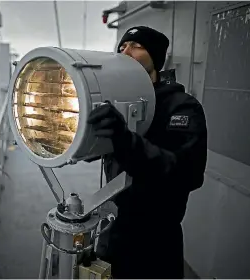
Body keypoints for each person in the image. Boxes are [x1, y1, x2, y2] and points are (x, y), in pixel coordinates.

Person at [87, 26, 208, 278]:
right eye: (122, 46)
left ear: (156, 58)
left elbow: (188, 173)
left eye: (137, 46)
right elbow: (102, 146)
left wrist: (124, 139)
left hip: (155, 241)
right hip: (112, 231)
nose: (126, 51)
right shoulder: (118, 100)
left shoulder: (182, 107)